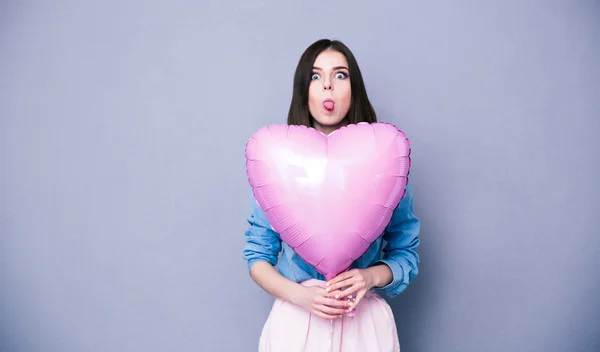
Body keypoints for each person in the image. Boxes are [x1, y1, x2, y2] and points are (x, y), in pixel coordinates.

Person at [242, 39, 420, 352]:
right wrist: (301, 296)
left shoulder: (385, 161)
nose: (328, 86)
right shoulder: (277, 163)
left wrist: (368, 277)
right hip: (296, 324)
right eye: (315, 76)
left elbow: (406, 253)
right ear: (303, 89)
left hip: (364, 327)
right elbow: (258, 256)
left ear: (354, 88)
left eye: (340, 75)